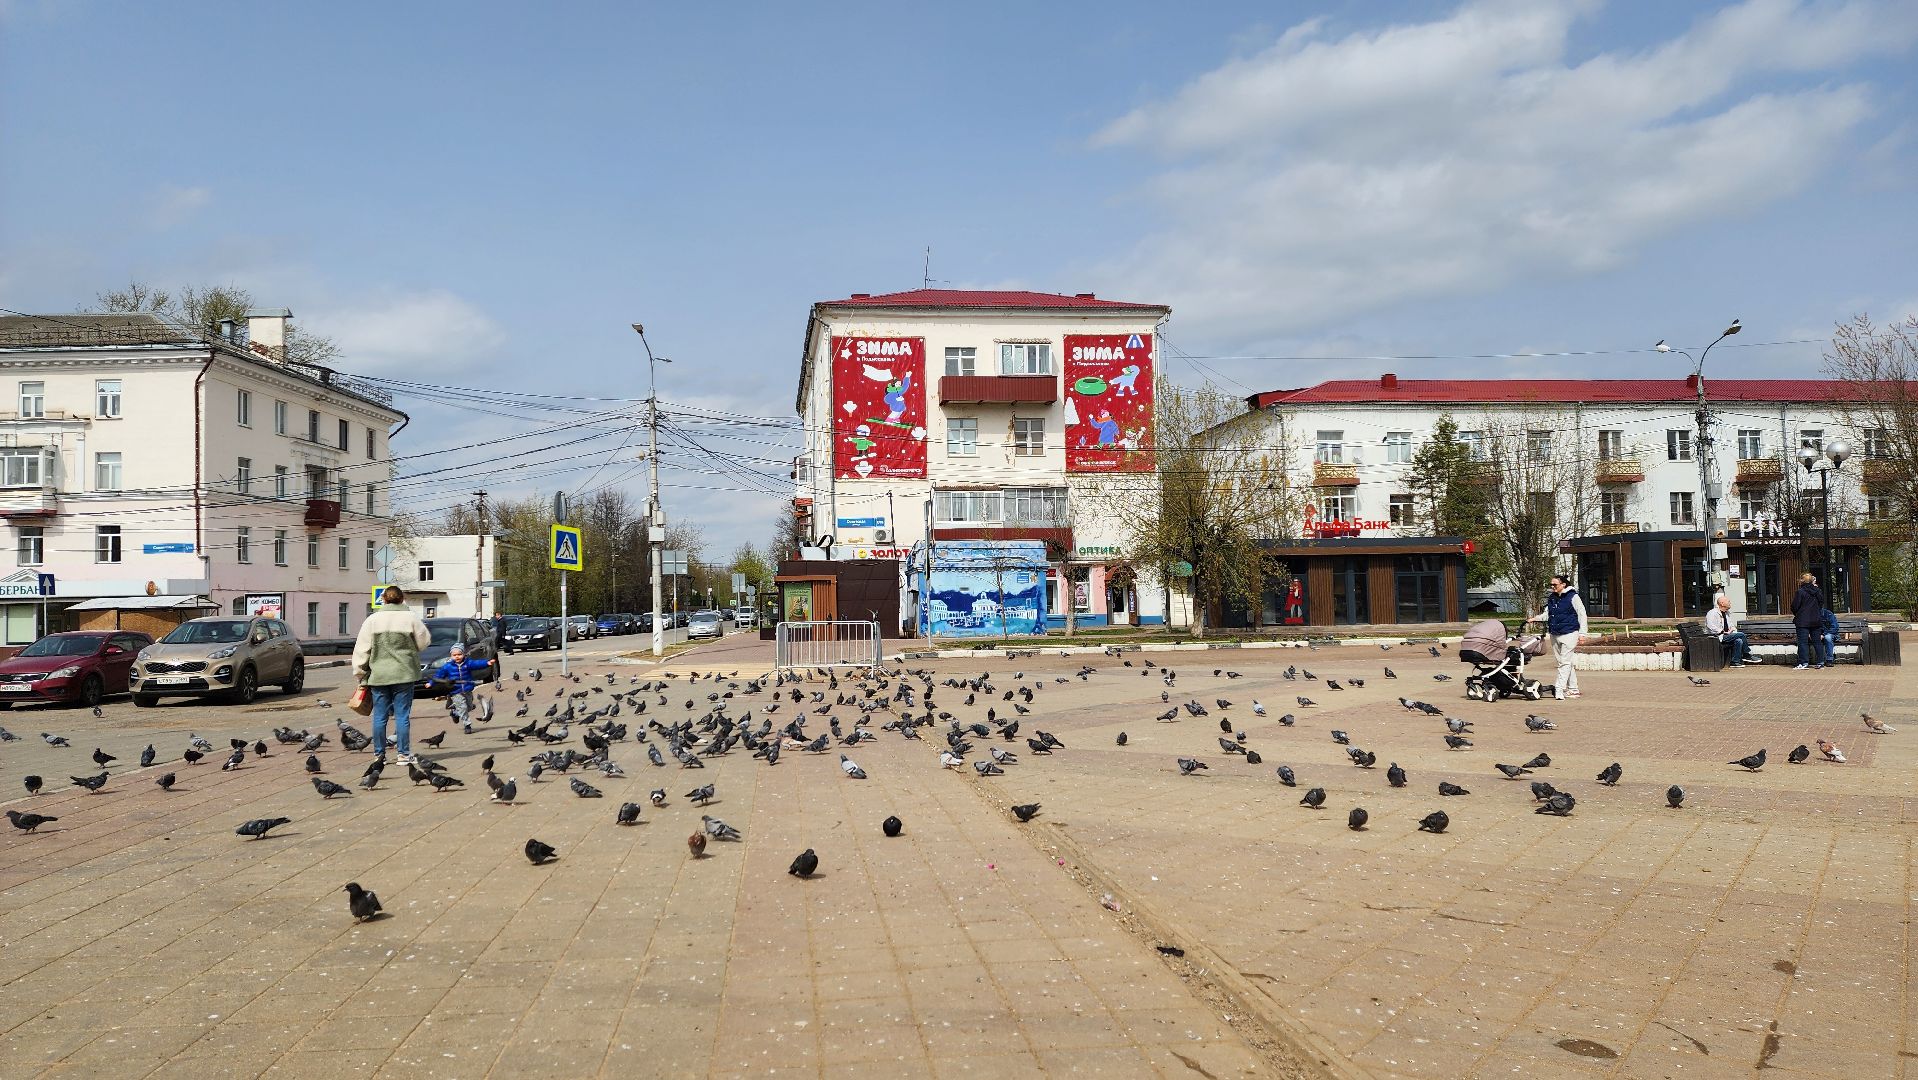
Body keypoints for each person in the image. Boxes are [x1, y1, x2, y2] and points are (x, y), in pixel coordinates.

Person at [352, 585, 431, 764]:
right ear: (402, 599)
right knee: (402, 715)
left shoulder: (372, 620)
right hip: (405, 673)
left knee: (379, 716)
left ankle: (379, 755)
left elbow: (362, 649)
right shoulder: (411, 618)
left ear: (384, 600)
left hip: (379, 675)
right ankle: (403, 754)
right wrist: (410, 649)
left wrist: (360, 673)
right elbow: (424, 641)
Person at [1529, 574, 1588, 700]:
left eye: (1554, 584)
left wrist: (1582, 633)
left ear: (1563, 584)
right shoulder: (1552, 598)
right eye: (1551, 585)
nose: (1552, 587)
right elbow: (1548, 614)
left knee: (1564, 663)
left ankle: (1559, 690)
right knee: (1564, 663)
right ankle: (1573, 689)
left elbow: (1582, 614)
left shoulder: (1573, 597)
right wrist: (1535, 619)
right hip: (1555, 633)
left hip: (1570, 633)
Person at [430, 643, 495, 734]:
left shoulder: (468, 663)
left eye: (459, 654)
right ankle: (467, 725)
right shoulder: (448, 666)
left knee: (469, 707)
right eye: (454, 655)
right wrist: (431, 683)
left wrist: (487, 663)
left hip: (467, 689)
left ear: (464, 654)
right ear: (451, 655)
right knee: (463, 707)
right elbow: (438, 675)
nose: (457, 657)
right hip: (455, 691)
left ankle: (455, 713)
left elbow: (477, 664)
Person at [1704, 593, 1759, 667]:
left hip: (1726, 636)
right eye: (1728, 601)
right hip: (1716, 637)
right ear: (1722, 603)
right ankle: (1746, 654)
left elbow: (1731, 626)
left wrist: (1732, 631)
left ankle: (1735, 661)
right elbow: (1710, 626)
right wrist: (1722, 631)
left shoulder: (1726, 613)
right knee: (1741, 635)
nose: (1730, 603)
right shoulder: (1712, 613)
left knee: (1739, 640)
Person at [1789, 572, 1827, 670]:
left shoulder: (1800, 592)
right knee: (1817, 642)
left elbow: (1794, 606)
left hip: (1802, 621)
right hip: (1816, 620)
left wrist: (1798, 613)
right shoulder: (1818, 591)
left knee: (1802, 642)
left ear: (1802, 581)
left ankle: (1804, 662)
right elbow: (1821, 603)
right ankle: (1820, 662)